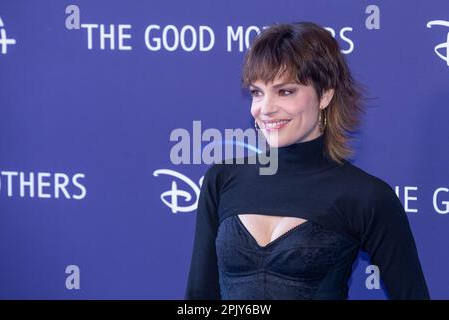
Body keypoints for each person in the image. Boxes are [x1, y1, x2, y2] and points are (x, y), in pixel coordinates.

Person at [184, 21, 430, 300]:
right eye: (257, 92)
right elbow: (198, 297)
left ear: (325, 94)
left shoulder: (367, 196)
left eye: (285, 91)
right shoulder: (223, 179)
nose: (265, 109)